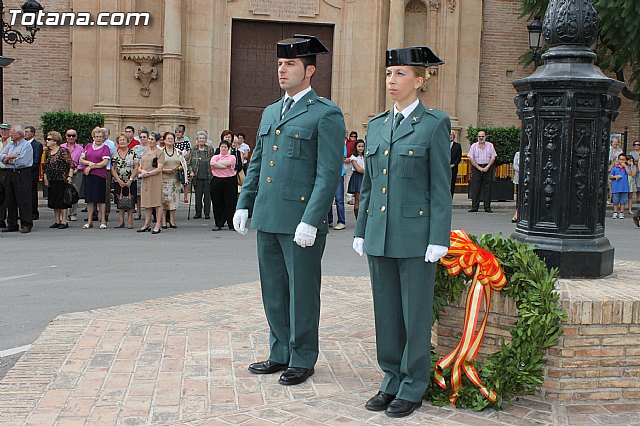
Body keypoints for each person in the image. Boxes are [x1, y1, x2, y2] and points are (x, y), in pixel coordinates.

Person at [233, 34, 345, 386]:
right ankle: (279, 352)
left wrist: (312, 219)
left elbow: (328, 174)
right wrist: (244, 203)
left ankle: (302, 357)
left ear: (309, 70)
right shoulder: (269, 111)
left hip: (300, 221)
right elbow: (258, 164)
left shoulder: (325, 114)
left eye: (291, 64)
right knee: (274, 290)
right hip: (268, 215)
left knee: (302, 291)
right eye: (280, 63)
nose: (282, 69)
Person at [353, 46, 451, 418]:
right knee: (387, 312)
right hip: (379, 232)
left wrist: (438, 236)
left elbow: (440, 186)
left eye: (400, 74)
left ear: (420, 81)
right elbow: (370, 184)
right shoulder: (377, 124)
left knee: (414, 313)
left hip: (415, 235)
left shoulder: (433, 124)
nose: (391, 80)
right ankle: (390, 378)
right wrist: (362, 228)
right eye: (389, 73)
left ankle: (413, 384)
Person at [0, 126, 34, 233]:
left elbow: (22, 161)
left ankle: (26, 224)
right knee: (10, 199)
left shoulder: (26, 146)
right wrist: (11, 156)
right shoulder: (10, 145)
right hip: (9, 174)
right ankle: (12, 224)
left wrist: (8, 159)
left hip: (21, 174)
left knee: (23, 199)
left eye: (12, 132)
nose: (10, 134)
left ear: (19, 134)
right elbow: (1, 156)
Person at [79, 127, 111, 229]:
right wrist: (88, 163)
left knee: (101, 199)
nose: (98, 139)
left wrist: (91, 167)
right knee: (90, 199)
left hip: (100, 176)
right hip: (89, 176)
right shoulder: (88, 146)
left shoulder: (105, 148)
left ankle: (103, 221)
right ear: (93, 137)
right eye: (97, 136)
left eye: (100, 137)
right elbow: (81, 159)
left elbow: (104, 163)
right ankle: (89, 221)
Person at [43, 131, 75, 229]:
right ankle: (57, 220)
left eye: (49, 139)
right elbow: (45, 168)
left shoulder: (63, 151)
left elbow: (71, 165)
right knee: (54, 201)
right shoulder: (48, 153)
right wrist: (45, 179)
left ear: (55, 141)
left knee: (62, 201)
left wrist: (69, 177)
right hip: (52, 179)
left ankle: (64, 221)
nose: (47, 141)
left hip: (62, 179)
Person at [138, 131, 165, 234]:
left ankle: (158, 223)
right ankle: (147, 223)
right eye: (149, 139)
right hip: (145, 179)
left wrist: (148, 173)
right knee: (147, 201)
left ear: (157, 141)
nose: (150, 141)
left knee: (156, 201)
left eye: (152, 139)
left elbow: (160, 168)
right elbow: (139, 166)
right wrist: (142, 171)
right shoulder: (145, 152)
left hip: (155, 179)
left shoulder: (159, 153)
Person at [111, 132, 140, 229]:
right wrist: (118, 180)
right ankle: (121, 221)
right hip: (118, 181)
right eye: (120, 140)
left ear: (128, 141)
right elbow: (112, 168)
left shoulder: (133, 153)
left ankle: (130, 221)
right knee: (120, 201)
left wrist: (130, 179)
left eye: (124, 140)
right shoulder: (115, 154)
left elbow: (136, 167)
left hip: (131, 180)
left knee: (130, 201)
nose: (122, 141)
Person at [210, 140, 237, 231]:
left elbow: (229, 163)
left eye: (225, 147)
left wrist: (219, 165)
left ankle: (231, 224)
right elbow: (212, 163)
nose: (223, 148)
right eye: (222, 147)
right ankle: (218, 223)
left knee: (230, 203)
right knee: (217, 203)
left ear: (228, 148)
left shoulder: (232, 157)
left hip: (229, 180)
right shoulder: (215, 156)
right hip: (217, 180)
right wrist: (223, 166)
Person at [468, 130, 497, 213]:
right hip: (476, 169)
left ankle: (487, 207)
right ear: (477, 137)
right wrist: (478, 167)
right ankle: (474, 207)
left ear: (485, 137)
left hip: (488, 168)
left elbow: (493, 157)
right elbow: (471, 158)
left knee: (487, 188)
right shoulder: (473, 146)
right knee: (475, 188)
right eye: (479, 136)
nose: (481, 138)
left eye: (482, 136)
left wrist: (487, 167)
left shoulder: (490, 145)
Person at [189, 131, 214, 219]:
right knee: (198, 196)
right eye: (200, 138)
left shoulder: (210, 149)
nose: (201, 140)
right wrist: (191, 171)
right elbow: (189, 162)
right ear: (197, 140)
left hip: (208, 175)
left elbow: (213, 161)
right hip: (197, 176)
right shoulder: (193, 149)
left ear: (206, 139)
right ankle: (198, 213)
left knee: (207, 196)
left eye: (203, 138)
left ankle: (207, 213)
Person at [161, 132, 183, 229]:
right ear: (164, 140)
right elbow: (156, 166)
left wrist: (179, 168)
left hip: (175, 179)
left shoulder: (178, 152)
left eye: (172, 138)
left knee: (174, 200)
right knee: (164, 201)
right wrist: (166, 170)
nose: (170, 140)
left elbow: (183, 164)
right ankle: (163, 221)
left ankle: (172, 221)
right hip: (163, 179)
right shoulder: (160, 152)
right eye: (168, 138)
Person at [61, 129, 83, 222]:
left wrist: (77, 169)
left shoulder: (80, 148)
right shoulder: (61, 147)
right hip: (63, 173)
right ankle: (64, 214)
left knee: (74, 192)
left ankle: (73, 213)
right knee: (63, 192)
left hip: (76, 172)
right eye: (69, 135)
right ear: (66, 136)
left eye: (73, 135)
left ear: (76, 137)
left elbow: (82, 161)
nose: (71, 137)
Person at [24, 125, 43, 221]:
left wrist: (26, 168)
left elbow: (36, 161)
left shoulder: (37, 145)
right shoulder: (23, 144)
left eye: (27, 132)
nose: (25, 133)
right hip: (22, 174)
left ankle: (33, 212)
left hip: (31, 174)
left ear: (32, 133)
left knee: (32, 194)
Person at [328, 142, 347, 230]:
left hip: (338, 174)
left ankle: (341, 221)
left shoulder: (340, 143)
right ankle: (329, 220)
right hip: (327, 174)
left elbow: (342, 158)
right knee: (327, 199)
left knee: (339, 199)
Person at [132, 130, 150, 219]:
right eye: (141, 137)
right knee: (138, 194)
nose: (143, 139)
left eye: (144, 137)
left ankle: (148, 213)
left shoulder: (151, 148)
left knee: (148, 194)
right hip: (138, 173)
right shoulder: (135, 148)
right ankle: (138, 212)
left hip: (148, 173)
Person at [101, 128, 117, 222]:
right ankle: (94, 212)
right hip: (95, 169)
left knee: (106, 192)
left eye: (105, 133)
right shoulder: (92, 144)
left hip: (106, 169)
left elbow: (114, 157)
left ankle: (106, 213)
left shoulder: (110, 144)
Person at [347, 139, 365, 219]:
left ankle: (363, 218)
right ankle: (358, 219)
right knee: (358, 199)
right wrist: (368, 171)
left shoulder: (365, 156)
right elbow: (358, 169)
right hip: (357, 177)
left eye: (362, 146)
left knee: (364, 198)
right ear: (356, 147)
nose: (361, 148)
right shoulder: (353, 157)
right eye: (359, 146)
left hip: (364, 177)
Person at [610, 153, 632, 219]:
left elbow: (630, 173)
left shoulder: (627, 167)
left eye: (623, 160)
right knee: (615, 200)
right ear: (618, 160)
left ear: (625, 160)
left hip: (624, 187)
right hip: (616, 187)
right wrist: (615, 176)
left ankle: (622, 212)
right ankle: (615, 212)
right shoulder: (614, 168)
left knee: (623, 201)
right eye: (620, 159)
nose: (621, 161)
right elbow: (610, 176)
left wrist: (625, 166)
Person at [175, 125, 191, 203]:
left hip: (184, 162)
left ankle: (185, 196)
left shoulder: (186, 142)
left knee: (186, 179)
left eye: (179, 132)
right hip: (176, 162)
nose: (178, 134)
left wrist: (185, 158)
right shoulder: (173, 142)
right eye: (176, 132)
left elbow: (188, 151)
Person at [0, 123, 12, 228]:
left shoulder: (12, 143)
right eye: (2, 130)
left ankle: (10, 220)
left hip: (8, 171)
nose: (3, 132)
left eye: (6, 130)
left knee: (8, 196)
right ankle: (1, 219)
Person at [345, 131, 358, 204]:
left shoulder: (352, 143)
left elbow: (354, 152)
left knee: (348, 180)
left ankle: (349, 198)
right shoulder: (338, 141)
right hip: (340, 162)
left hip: (349, 162)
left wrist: (349, 158)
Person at [450, 130, 462, 197]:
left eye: (451, 135)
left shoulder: (457, 146)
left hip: (453, 168)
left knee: (452, 183)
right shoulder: (443, 145)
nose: (450, 136)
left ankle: (450, 198)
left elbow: (458, 157)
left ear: (454, 136)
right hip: (444, 168)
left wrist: (453, 164)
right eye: (449, 134)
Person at [512, 151, 520, 223]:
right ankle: (517, 212)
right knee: (519, 196)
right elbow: (515, 166)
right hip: (519, 177)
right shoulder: (518, 154)